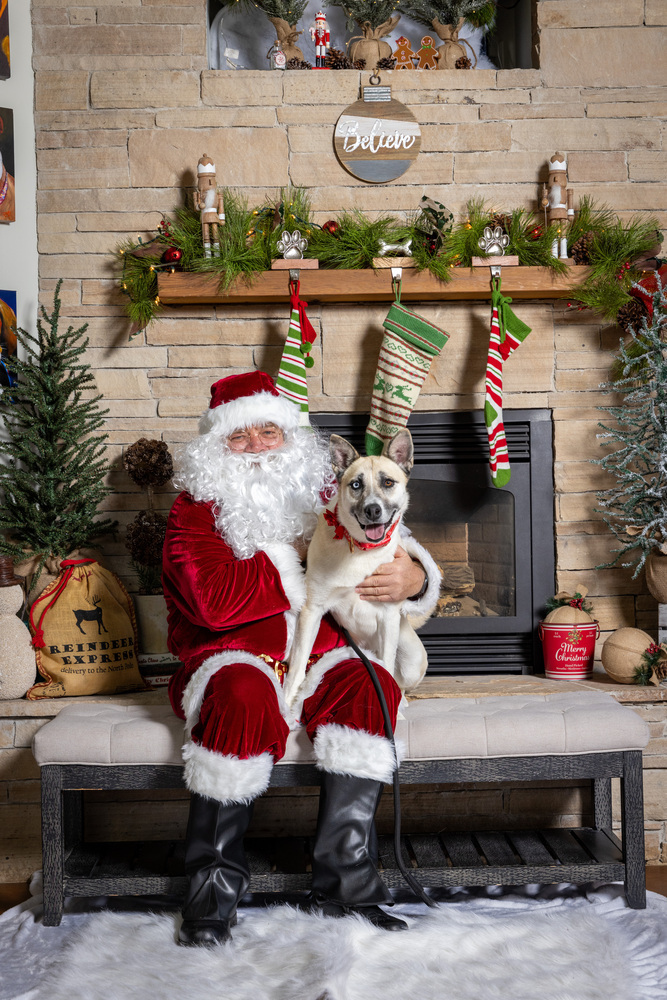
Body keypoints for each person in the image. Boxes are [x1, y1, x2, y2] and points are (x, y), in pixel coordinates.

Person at [163, 371, 440, 947]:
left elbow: (385, 534)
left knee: (375, 690)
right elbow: (213, 602)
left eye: (271, 431)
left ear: (292, 439)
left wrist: (413, 576)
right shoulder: (194, 512)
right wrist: (295, 556)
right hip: (233, 654)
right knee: (241, 696)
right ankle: (212, 890)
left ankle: (346, 881)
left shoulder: (326, 493)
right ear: (217, 448)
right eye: (242, 437)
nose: (260, 446)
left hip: (320, 654)